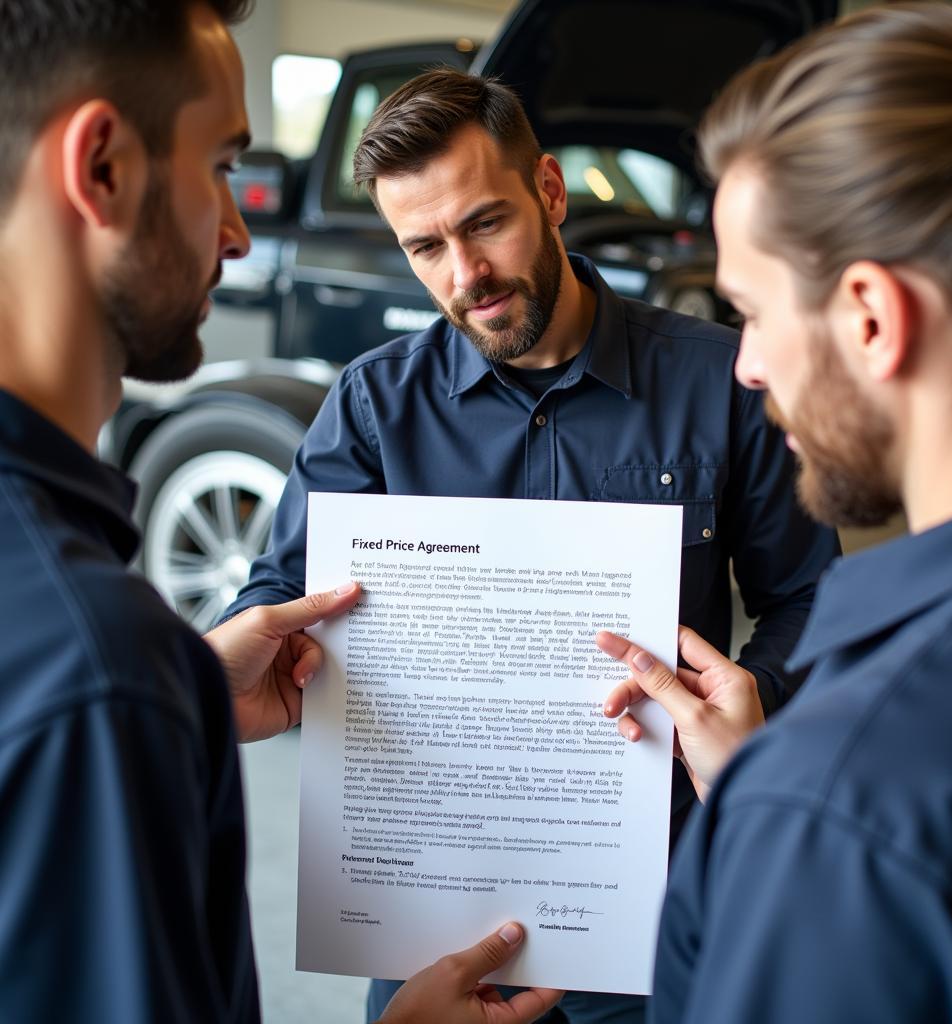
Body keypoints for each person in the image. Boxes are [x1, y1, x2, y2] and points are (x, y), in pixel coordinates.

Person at [224, 66, 839, 1023]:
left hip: (659, 896)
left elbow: (810, 598)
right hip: (430, 920)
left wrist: (744, 706)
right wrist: (240, 657)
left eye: (483, 224)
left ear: (549, 192)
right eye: (423, 247)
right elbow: (276, 590)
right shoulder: (375, 406)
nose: (463, 277)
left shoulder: (721, 384)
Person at [0, 2, 556, 1020]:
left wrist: (187, 694)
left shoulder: (99, 660)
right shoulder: (95, 661)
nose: (239, 227)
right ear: (103, 169)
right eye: (220, 164)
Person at [594, 3, 952, 1020]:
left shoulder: (849, 794)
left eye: (748, 311)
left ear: (871, 316)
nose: (742, 367)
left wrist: (783, 823)